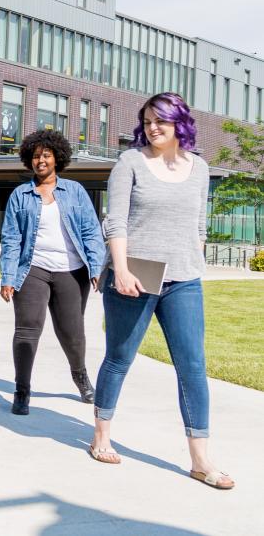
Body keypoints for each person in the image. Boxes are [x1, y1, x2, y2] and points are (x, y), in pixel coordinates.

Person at [88, 93, 234, 490]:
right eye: (148, 120)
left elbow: (199, 224)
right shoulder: (130, 162)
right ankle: (101, 435)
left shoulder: (199, 167)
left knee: (193, 368)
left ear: (178, 123)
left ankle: (200, 460)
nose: (153, 127)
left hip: (183, 279)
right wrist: (119, 269)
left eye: (161, 121)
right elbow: (115, 222)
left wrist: (195, 259)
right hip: (134, 275)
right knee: (119, 359)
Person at [0, 129, 105, 416]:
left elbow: (91, 231)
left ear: (57, 158)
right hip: (32, 268)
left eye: (46, 155)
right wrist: (8, 277)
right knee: (27, 329)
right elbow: (11, 239)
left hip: (71, 270)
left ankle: (80, 374)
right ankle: (22, 390)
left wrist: (96, 267)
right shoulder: (20, 195)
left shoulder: (75, 191)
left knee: (72, 334)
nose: (40, 161)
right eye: (35, 156)